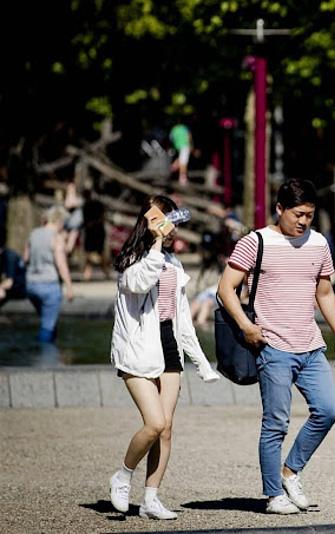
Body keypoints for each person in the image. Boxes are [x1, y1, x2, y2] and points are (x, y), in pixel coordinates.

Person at [218, 178, 335, 515]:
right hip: (273, 346)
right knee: (275, 423)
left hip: (310, 346)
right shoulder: (255, 242)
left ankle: (290, 471)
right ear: (280, 209)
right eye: (298, 214)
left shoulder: (319, 243)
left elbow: (324, 293)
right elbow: (225, 289)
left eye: (310, 215)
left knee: (329, 410)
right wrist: (247, 327)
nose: (304, 221)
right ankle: (273, 494)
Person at [108, 196, 220, 520]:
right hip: (138, 350)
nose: (172, 229)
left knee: (167, 428)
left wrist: (200, 362)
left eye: (173, 222)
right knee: (154, 423)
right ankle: (123, 475)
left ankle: (151, 498)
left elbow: (182, 316)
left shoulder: (172, 261)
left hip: (168, 345)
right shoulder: (132, 259)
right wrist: (156, 243)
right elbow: (141, 283)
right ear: (150, 221)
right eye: (165, 221)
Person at [24, 205, 74, 343]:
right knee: (47, 326)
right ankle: (44, 357)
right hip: (49, 286)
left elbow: (26, 258)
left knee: (48, 321)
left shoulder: (33, 234)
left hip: (31, 285)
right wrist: (69, 286)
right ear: (59, 221)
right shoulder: (56, 238)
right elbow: (61, 265)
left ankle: (53, 349)